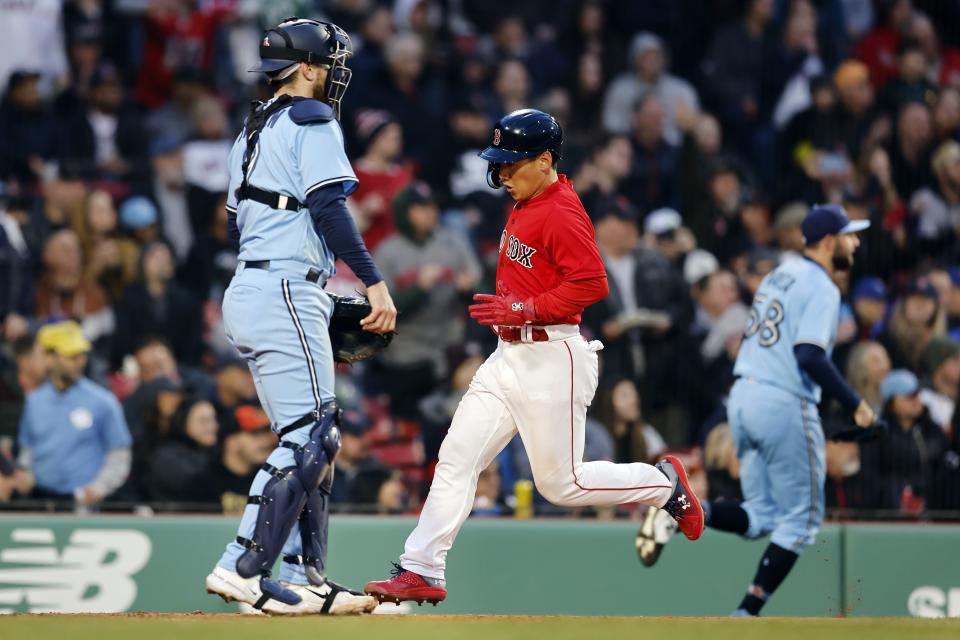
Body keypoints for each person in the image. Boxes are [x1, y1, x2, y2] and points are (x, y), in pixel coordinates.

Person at [363, 109, 703, 606]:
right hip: (509, 355)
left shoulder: (561, 208)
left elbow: (591, 284)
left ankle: (663, 484)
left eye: (511, 163)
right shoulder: (527, 197)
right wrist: (516, 311)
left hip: (553, 356)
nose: (501, 173)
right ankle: (421, 567)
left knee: (562, 486)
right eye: (498, 163)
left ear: (544, 161)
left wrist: (524, 307)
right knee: (456, 459)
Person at [203, 17, 396, 616]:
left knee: (316, 441)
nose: (336, 73)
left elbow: (236, 221)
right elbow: (329, 207)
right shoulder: (313, 119)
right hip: (286, 288)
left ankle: (306, 575)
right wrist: (373, 281)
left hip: (256, 285)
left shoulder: (251, 131)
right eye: (330, 63)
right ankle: (242, 565)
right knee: (314, 435)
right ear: (309, 67)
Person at [636, 204, 880, 616]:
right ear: (827, 241)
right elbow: (809, 354)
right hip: (784, 398)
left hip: (745, 398)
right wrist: (857, 404)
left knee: (761, 515)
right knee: (802, 522)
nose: (855, 242)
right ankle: (746, 613)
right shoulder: (821, 285)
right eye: (849, 235)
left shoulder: (777, 276)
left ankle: (681, 510)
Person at [16, 321, 131, 509]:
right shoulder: (34, 401)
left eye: (81, 355)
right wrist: (23, 475)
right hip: (40, 499)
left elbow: (119, 454)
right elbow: (28, 449)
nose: (79, 361)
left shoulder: (104, 402)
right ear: (49, 357)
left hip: (82, 502)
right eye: (71, 355)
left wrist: (100, 487)